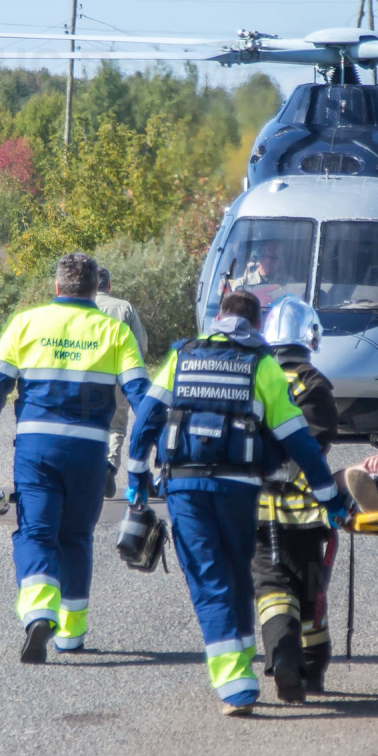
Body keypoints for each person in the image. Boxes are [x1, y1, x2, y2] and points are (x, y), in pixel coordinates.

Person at [126, 290, 350, 715]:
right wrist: (330, 498)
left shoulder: (182, 356)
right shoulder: (262, 364)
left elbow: (147, 419)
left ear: (218, 318)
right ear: (256, 324)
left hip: (185, 486)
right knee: (236, 574)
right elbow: (298, 441)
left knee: (210, 580)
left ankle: (235, 684)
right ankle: (242, 665)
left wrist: (136, 476)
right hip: (239, 488)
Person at [0, 252, 149, 664]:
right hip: (89, 451)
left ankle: (38, 612)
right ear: (95, 289)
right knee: (76, 537)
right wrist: (148, 453)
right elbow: (142, 397)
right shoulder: (114, 330)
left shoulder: (26, 323)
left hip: (36, 450)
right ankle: (71, 634)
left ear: (57, 287)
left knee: (36, 533)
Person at [252, 295, 341, 702]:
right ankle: (312, 668)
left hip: (254, 508)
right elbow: (314, 442)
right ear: (310, 337)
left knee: (270, 588)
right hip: (303, 514)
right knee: (308, 592)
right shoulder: (314, 382)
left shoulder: (256, 373)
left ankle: (283, 658)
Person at [95, 266, 149, 498]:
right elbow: (142, 344)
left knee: (90, 421)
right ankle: (109, 465)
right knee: (117, 424)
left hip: (88, 373)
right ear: (109, 285)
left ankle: (89, 469)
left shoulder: (79, 307)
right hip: (119, 371)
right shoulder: (124, 307)